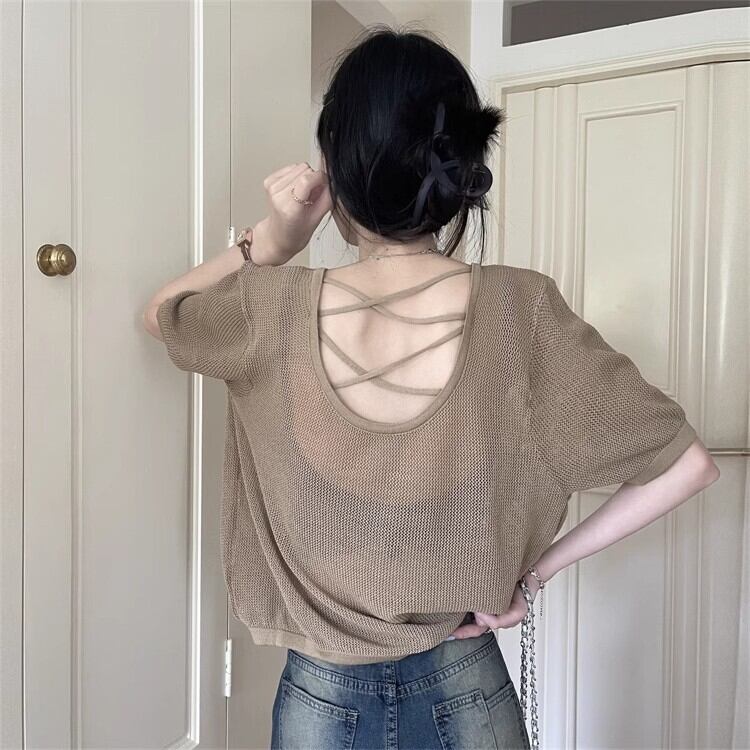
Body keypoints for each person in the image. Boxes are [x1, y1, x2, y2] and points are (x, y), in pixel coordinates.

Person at [142, 25, 720, 750]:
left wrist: (273, 240)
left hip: (320, 698)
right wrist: (533, 576)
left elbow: (163, 313)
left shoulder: (268, 308)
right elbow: (687, 465)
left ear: (338, 169)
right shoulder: (521, 310)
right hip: (465, 684)